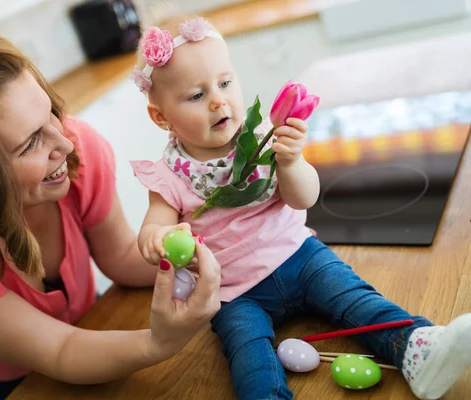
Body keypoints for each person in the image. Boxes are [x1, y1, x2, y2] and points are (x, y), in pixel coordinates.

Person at [129, 16, 471, 400]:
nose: (218, 100)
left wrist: (291, 163)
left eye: (225, 83)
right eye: (196, 95)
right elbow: (150, 230)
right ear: (161, 117)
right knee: (249, 358)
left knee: (357, 300)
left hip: (300, 257)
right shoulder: (168, 177)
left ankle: (417, 350)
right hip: (233, 293)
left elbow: (304, 198)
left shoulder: (264, 139)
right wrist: (157, 237)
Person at [0, 36, 222, 400]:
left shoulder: (75, 149)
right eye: (29, 144)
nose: (66, 143)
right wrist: (158, 344)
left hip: (83, 326)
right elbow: (60, 350)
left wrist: (221, 249)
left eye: (51, 114)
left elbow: (120, 257)